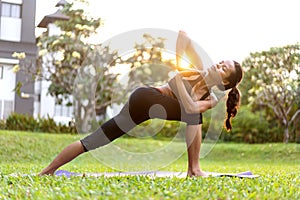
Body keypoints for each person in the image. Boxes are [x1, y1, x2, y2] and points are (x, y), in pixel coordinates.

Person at [39, 31, 243, 177]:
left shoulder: (211, 98)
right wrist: (181, 61)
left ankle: (47, 172)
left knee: (95, 140)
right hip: (146, 97)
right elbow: (183, 36)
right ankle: (194, 170)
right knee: (193, 114)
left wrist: (182, 83)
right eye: (220, 62)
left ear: (224, 82)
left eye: (223, 68)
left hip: (144, 110)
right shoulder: (196, 70)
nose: (217, 64)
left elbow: (190, 108)